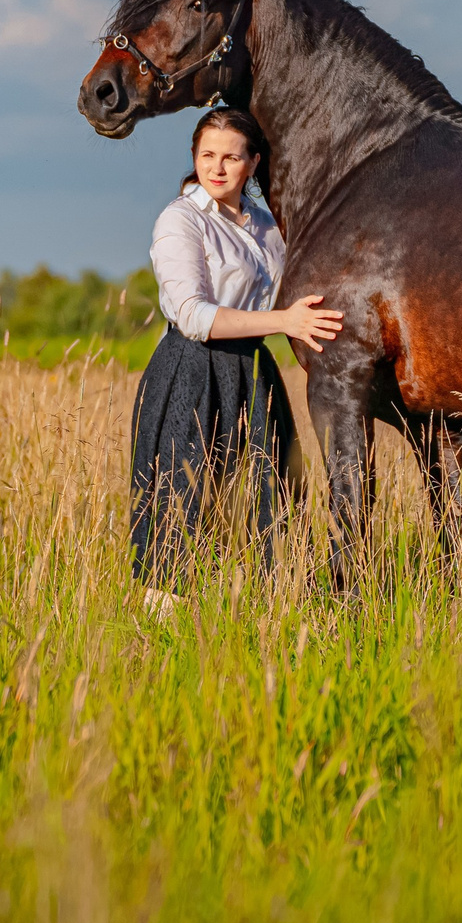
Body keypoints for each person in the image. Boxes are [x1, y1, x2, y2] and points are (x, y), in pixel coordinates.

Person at [129, 105, 343, 582]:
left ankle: (264, 607)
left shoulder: (268, 226)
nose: (217, 168)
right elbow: (192, 315)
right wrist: (284, 320)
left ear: (253, 163)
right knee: (181, 505)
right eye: (207, 155)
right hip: (192, 369)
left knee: (271, 499)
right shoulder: (180, 220)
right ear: (193, 156)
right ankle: (165, 629)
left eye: (231, 157)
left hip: (253, 372)